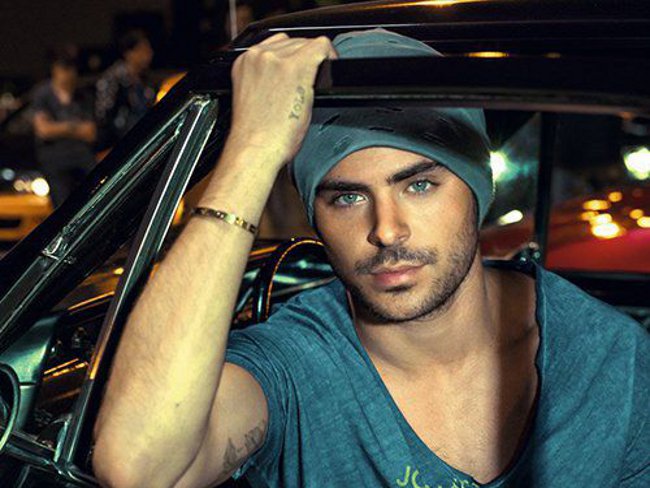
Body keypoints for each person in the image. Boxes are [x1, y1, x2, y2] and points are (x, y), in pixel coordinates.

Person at [92, 30, 649, 487]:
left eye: (420, 185)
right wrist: (252, 152)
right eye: (347, 198)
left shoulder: (608, 358)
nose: (386, 230)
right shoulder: (297, 365)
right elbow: (138, 468)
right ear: (315, 215)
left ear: (477, 190)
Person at [32, 45, 97, 207]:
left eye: (72, 68)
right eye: (64, 68)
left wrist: (58, 128)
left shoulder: (83, 95)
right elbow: (43, 130)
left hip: (81, 157)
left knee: (95, 194)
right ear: (55, 69)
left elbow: (90, 132)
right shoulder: (43, 94)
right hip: (54, 159)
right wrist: (74, 127)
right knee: (62, 204)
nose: (69, 73)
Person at [95, 29, 155, 150]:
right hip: (121, 141)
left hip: (145, 137)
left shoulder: (146, 80)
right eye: (142, 50)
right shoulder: (113, 78)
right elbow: (103, 116)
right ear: (129, 53)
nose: (149, 54)